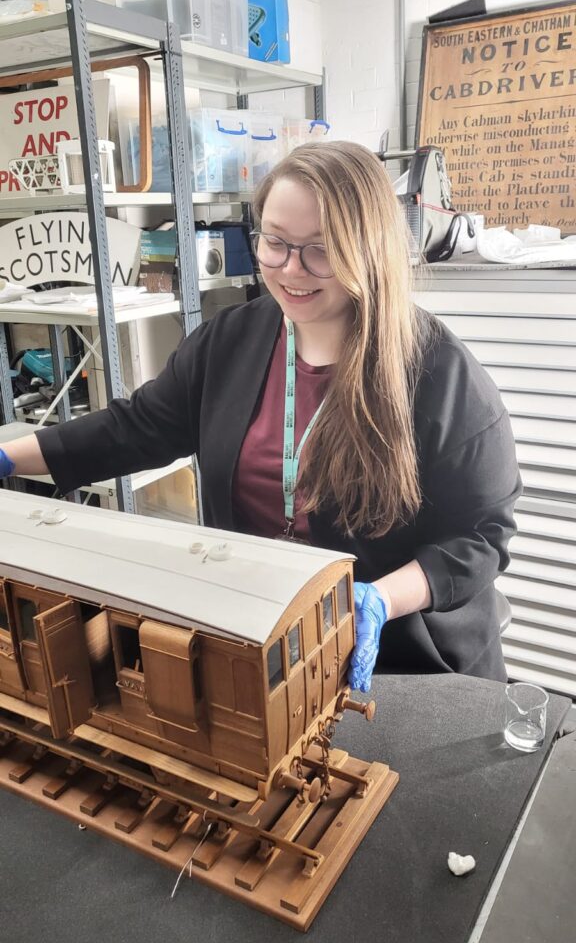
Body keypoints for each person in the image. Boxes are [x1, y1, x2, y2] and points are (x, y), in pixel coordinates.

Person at [0, 141, 521, 688]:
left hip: (397, 653)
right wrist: (10, 458)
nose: (291, 269)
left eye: (320, 249)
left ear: (368, 250)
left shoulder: (441, 375)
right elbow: (135, 427)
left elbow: (482, 537)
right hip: (260, 636)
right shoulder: (229, 342)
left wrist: (381, 599)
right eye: (275, 242)